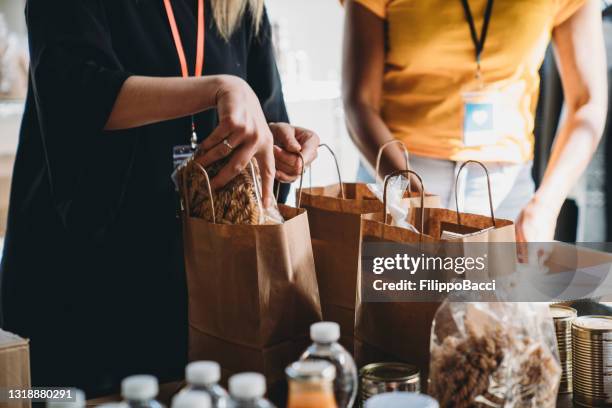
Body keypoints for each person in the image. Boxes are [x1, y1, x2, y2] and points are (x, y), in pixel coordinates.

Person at [0, 0, 319, 396]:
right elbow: (74, 89)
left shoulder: (241, 8)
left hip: (193, 282)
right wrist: (217, 88)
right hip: (84, 283)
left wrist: (273, 142)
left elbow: (264, 114)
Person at [342, 0, 607, 241]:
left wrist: (546, 205)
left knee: (502, 293)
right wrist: (411, 195)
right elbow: (359, 103)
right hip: (398, 175)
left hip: (505, 190)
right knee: (399, 291)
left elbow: (587, 103)